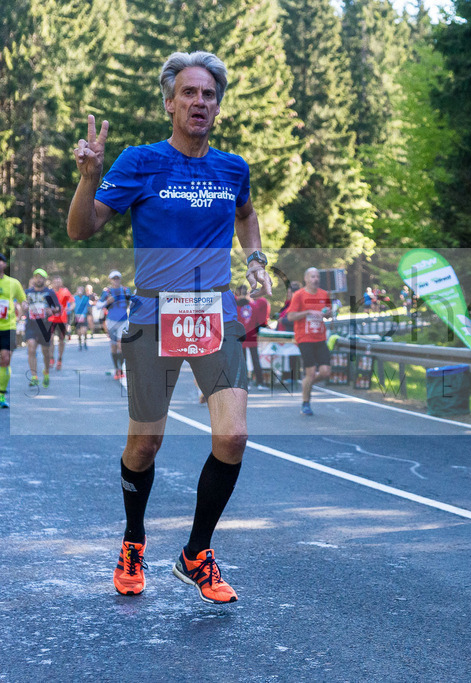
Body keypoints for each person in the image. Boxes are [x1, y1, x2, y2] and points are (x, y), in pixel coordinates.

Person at [68, 50, 271, 604]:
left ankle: (195, 554)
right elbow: (82, 229)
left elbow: (247, 215)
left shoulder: (233, 168)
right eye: (189, 93)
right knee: (145, 443)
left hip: (215, 313)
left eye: (208, 94)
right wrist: (88, 179)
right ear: (169, 102)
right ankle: (134, 541)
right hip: (154, 314)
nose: (199, 102)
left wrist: (256, 261)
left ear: (218, 106)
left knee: (232, 437)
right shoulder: (139, 161)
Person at [287, 267, 331, 416]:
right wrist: (307, 312)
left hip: (320, 337)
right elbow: (290, 316)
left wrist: (328, 313)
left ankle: (307, 383)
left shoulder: (324, 294)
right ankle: (306, 403)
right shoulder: (299, 295)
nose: (315, 279)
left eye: (317, 276)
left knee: (325, 372)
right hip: (304, 338)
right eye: (312, 276)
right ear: (306, 279)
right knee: (310, 372)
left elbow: (328, 314)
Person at [22, 268, 60, 389]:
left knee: (46, 352)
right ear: (34, 278)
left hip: (45, 325)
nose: (39, 279)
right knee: (31, 348)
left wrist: (52, 310)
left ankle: (46, 372)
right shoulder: (27, 292)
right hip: (31, 324)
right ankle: (34, 377)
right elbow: (22, 305)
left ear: (44, 279)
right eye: (36, 277)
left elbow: (58, 308)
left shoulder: (50, 293)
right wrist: (23, 306)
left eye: (41, 277)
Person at [0, 253, 27, 408]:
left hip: (8, 326)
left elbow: (23, 300)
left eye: (1, 262)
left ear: (4, 264)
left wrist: (23, 310)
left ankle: (1, 395)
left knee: (5, 358)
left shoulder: (13, 283)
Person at [235, 284, 269, 389]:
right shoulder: (254, 306)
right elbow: (260, 321)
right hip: (252, 335)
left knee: (242, 360)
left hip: (241, 336)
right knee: (255, 360)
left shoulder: (236, 307)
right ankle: (260, 383)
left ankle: (245, 383)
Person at [101, 271, 132, 379]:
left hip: (123, 320)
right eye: (114, 278)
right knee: (113, 346)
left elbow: (132, 302)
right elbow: (98, 305)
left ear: (120, 279)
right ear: (111, 280)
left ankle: (121, 369)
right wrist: (107, 302)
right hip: (111, 321)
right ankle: (116, 369)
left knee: (121, 345)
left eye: (117, 278)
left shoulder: (125, 290)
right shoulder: (107, 291)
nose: (116, 280)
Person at [47, 275, 74, 371]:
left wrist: (70, 308)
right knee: (50, 340)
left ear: (61, 282)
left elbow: (72, 302)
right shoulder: (49, 292)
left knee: (61, 341)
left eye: (59, 282)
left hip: (62, 320)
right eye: (55, 282)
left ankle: (60, 359)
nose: (57, 284)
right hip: (51, 319)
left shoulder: (65, 291)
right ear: (52, 283)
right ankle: (51, 358)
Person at [73, 285, 92, 349]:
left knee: (84, 330)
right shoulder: (74, 298)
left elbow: (89, 306)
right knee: (79, 332)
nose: (80, 291)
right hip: (77, 316)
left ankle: (85, 342)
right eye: (78, 290)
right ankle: (80, 344)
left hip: (84, 316)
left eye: (81, 290)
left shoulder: (86, 298)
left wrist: (90, 314)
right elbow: (71, 305)